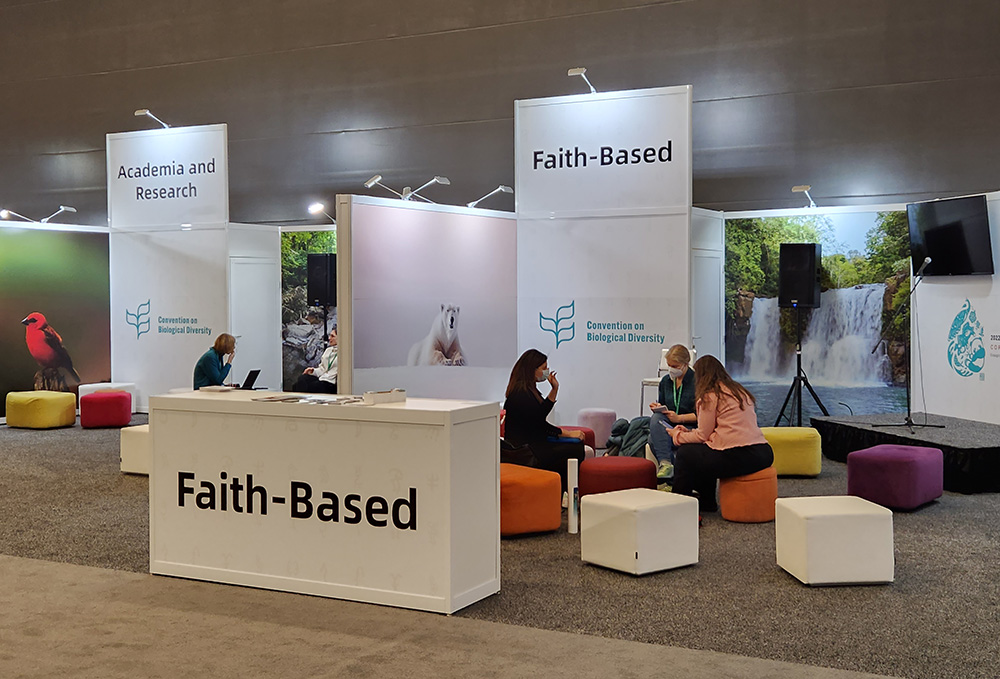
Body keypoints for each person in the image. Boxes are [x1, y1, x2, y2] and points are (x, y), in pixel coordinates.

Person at [668, 354, 773, 512]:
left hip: (739, 453)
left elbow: (702, 435)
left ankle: (678, 506)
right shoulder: (739, 391)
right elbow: (719, 431)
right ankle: (706, 502)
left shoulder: (709, 396)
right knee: (706, 451)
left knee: (685, 454)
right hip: (763, 453)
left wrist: (677, 436)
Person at [502, 349, 586, 489]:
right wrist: (566, 433)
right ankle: (563, 493)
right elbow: (539, 423)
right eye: (544, 368)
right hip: (525, 450)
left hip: (532, 443)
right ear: (532, 370)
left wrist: (554, 389)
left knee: (574, 447)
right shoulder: (520, 394)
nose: (547, 371)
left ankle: (562, 491)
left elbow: (539, 415)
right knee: (575, 449)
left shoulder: (527, 390)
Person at [647, 344, 697, 481]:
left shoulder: (697, 381)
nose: (671, 369)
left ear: (685, 364)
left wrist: (679, 418)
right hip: (669, 424)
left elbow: (701, 415)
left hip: (690, 426)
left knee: (653, 440)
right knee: (655, 417)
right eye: (669, 365)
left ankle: (672, 477)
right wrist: (658, 407)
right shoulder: (665, 382)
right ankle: (667, 465)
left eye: (675, 366)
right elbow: (663, 404)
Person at [292, 327, 338, 394]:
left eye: (332, 336)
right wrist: (313, 371)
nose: (329, 338)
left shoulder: (343, 355)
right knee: (302, 379)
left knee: (311, 386)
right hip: (322, 378)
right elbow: (322, 369)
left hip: (331, 382)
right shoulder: (328, 351)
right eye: (330, 335)